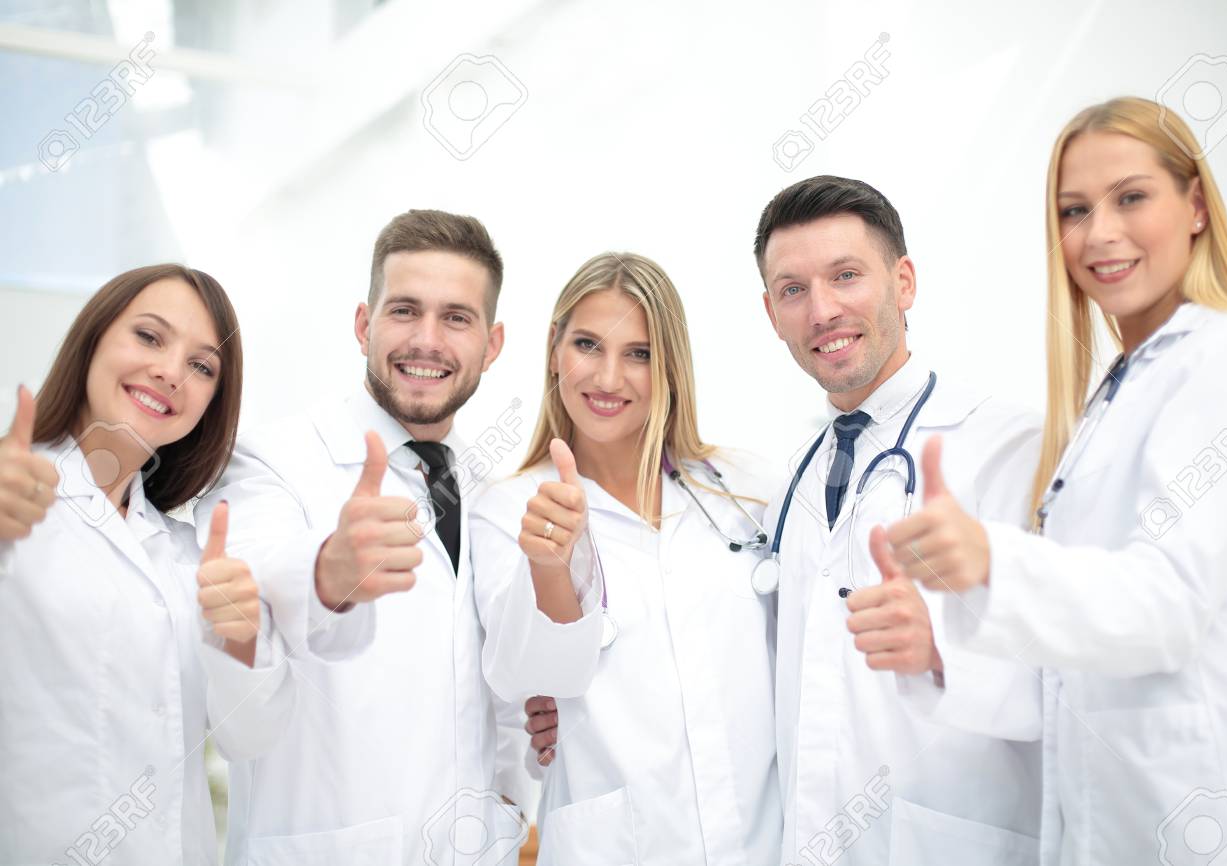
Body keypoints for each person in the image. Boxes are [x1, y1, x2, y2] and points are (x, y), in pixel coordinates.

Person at [878, 96, 1227, 865]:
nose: (1099, 233)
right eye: (1074, 210)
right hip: (1122, 818)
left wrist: (992, 561)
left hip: (1210, 810)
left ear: (1196, 206)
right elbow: (1074, 659)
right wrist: (942, 649)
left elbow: (1166, 604)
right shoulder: (1115, 392)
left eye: (1131, 198)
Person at [193, 209, 531, 865]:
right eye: (404, 311)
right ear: (363, 325)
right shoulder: (268, 461)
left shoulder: (492, 488)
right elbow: (258, 584)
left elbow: (498, 689)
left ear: (491, 345)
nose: (427, 340)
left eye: (456, 318)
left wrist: (516, 798)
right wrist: (327, 574)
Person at [755, 176, 1045, 865]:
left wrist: (943, 649)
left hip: (954, 841)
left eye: (846, 276)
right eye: (793, 290)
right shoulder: (792, 479)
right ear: (772, 313)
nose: (822, 310)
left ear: (904, 281)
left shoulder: (1012, 449)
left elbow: (1081, 671)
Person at [470, 252, 782, 865]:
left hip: (764, 841)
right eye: (588, 344)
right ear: (555, 350)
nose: (609, 378)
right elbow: (526, 679)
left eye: (638, 353)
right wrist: (553, 566)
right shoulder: (507, 510)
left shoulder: (749, 490)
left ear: (669, 366)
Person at [0, 264, 290, 865]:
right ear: (93, 340)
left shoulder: (188, 555)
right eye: (150, 337)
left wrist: (240, 639)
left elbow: (250, 737)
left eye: (202, 366)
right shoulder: (13, 497)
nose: (170, 373)